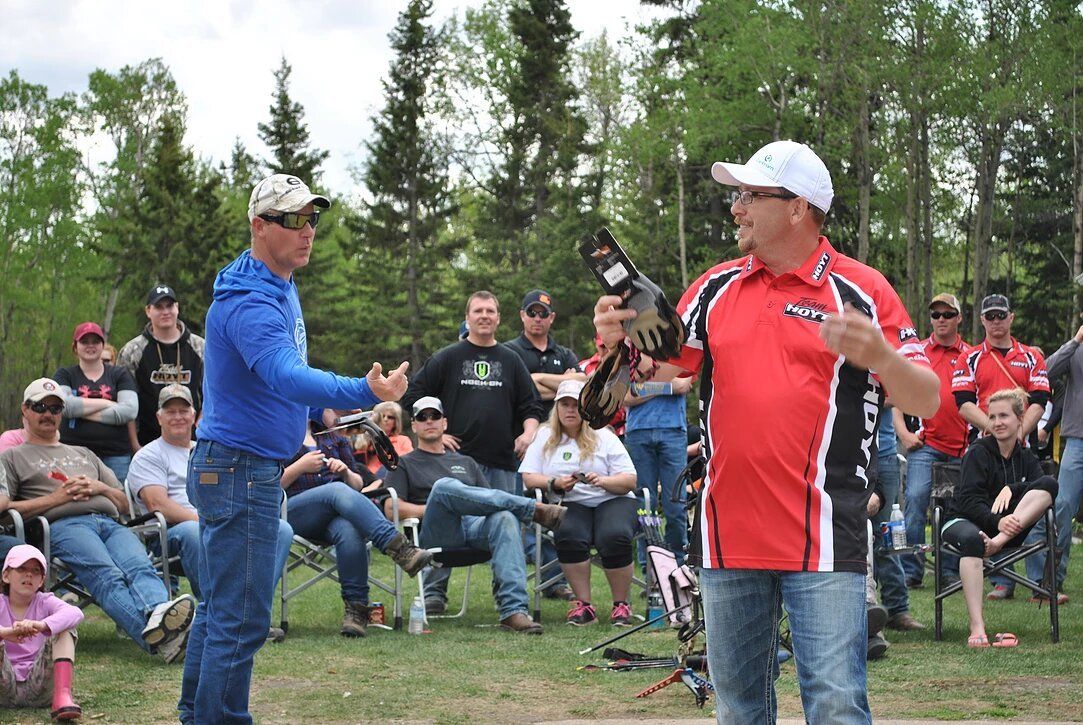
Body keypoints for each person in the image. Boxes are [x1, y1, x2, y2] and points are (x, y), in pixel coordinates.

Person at [592, 140, 939, 723]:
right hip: (728, 536)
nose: (737, 208)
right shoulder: (714, 287)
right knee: (739, 708)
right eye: (738, 195)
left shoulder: (861, 290)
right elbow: (644, 379)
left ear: (798, 207)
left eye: (751, 195)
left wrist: (883, 354)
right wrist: (615, 342)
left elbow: (926, 400)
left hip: (824, 536)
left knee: (835, 706)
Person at [181, 173, 412, 724]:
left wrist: (337, 406)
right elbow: (286, 375)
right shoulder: (252, 303)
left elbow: (278, 381)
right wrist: (364, 391)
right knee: (241, 620)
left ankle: (198, 718)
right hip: (240, 471)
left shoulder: (276, 280)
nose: (307, 231)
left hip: (237, 467)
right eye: (293, 220)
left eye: (312, 218)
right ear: (259, 227)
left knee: (220, 613)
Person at [0, 378, 195, 663]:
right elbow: (8, 513)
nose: (48, 413)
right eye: (40, 406)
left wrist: (98, 487)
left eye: (55, 408)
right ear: (25, 411)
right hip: (63, 526)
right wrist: (58, 498)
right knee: (108, 577)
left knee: (141, 567)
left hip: (109, 522)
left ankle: (163, 620)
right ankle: (159, 638)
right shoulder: (13, 457)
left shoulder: (83, 453)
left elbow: (124, 502)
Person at [383, 396, 565, 634]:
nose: (429, 421)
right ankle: (532, 509)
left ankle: (513, 611)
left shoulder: (466, 462)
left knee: (504, 517)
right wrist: (441, 505)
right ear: (414, 426)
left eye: (435, 416)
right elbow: (391, 509)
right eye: (422, 417)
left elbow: (490, 501)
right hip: (434, 530)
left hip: (474, 528)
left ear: (444, 423)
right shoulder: (403, 463)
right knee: (444, 487)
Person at [126, 385, 294, 620]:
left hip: (220, 520)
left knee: (281, 529)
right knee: (196, 530)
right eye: (170, 411)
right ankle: (216, 614)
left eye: (183, 411)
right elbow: (158, 505)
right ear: (158, 418)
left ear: (194, 416)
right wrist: (207, 520)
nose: (177, 417)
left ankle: (251, 611)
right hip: (172, 533)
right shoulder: (149, 455)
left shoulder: (208, 451)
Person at [281, 419, 431, 638]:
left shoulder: (332, 437)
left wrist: (345, 473)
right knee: (335, 491)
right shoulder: (278, 435)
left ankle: (357, 611)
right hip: (293, 512)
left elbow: (357, 485)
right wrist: (300, 467)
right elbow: (271, 485)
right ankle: (399, 548)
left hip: (334, 516)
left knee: (348, 529)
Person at [940, 389, 1058, 647]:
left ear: (1020, 419)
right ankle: (977, 627)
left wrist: (1011, 489)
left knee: (1049, 484)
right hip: (963, 520)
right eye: (992, 417)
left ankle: (998, 543)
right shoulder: (978, 451)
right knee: (973, 540)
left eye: (1003, 415)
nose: (997, 422)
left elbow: (1043, 485)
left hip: (1005, 530)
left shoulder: (1025, 457)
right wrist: (997, 522)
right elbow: (968, 502)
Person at [952, 293, 1050, 600]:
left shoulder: (1032, 356)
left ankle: (1041, 583)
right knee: (990, 505)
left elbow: (1040, 399)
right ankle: (1002, 581)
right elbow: (963, 402)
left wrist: (1018, 431)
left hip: (1022, 444)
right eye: (989, 316)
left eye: (1000, 315)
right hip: (983, 445)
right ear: (982, 320)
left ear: (1011, 317)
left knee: (1034, 501)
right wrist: (994, 427)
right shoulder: (969, 357)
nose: (995, 322)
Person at [521, 380, 638, 626]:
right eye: (565, 404)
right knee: (570, 533)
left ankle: (621, 605)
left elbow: (629, 480)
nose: (570, 410)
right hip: (569, 500)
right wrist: (555, 483)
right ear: (556, 408)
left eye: (576, 405)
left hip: (611, 498)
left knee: (614, 535)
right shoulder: (544, 436)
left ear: (586, 408)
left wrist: (604, 481)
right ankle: (584, 605)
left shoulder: (603, 435)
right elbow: (529, 477)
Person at [402, 291, 543, 495]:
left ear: (498, 318)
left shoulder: (512, 360)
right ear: (468, 319)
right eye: (478, 311)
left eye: (490, 311)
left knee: (504, 522)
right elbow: (412, 395)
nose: (484, 315)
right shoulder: (448, 357)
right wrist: (437, 434)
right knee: (465, 524)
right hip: (456, 460)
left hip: (502, 462)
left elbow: (532, 405)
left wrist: (528, 434)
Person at [893, 293, 969, 589]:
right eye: (935, 315)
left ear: (959, 318)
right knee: (914, 500)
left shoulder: (970, 354)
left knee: (953, 508)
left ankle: (949, 568)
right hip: (926, 445)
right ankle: (912, 570)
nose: (941, 320)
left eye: (947, 314)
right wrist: (903, 433)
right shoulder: (918, 351)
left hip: (962, 447)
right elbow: (897, 392)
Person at [1023, 320, 1083, 603]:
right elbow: (1044, 372)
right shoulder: (1075, 350)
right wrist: (1075, 340)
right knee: (1061, 507)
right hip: (1077, 441)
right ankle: (1050, 583)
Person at [0, 544, 83, 721]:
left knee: (65, 627)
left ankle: (62, 697)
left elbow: (75, 613)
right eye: (21, 568)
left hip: (40, 687)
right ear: (6, 575)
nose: (29, 574)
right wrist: (5, 633)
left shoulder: (45, 601)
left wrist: (42, 625)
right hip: (3, 686)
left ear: (41, 581)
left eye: (36, 571)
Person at [623, 355, 692, 566]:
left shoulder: (682, 350)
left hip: (673, 431)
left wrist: (643, 386)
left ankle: (678, 566)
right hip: (638, 432)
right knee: (645, 504)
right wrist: (667, 385)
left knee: (676, 504)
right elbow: (626, 396)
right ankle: (650, 570)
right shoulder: (630, 352)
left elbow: (683, 385)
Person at [118, 284, 205, 450]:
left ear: (177, 308)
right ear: (148, 311)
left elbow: (213, 392)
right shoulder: (131, 351)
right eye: (159, 307)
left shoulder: (200, 347)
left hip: (192, 442)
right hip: (147, 441)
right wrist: (135, 445)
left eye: (169, 306)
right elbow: (125, 401)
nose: (165, 312)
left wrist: (201, 428)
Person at [53, 322, 138, 482]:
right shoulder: (64, 374)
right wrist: (107, 403)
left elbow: (130, 411)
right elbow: (64, 406)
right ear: (75, 347)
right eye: (85, 342)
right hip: (73, 451)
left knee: (117, 502)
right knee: (77, 500)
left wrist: (79, 412)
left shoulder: (120, 374)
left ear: (102, 345)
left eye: (95, 341)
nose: (90, 346)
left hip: (115, 454)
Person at [504, 289, 584, 419]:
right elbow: (514, 390)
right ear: (522, 315)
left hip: (558, 433)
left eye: (543, 314)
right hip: (522, 431)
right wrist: (564, 387)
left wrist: (537, 378)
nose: (537, 319)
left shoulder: (564, 354)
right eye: (532, 313)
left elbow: (582, 383)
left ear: (551, 317)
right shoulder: (509, 351)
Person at [362, 401, 413, 475]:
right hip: (367, 476)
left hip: (390, 475)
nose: (385, 419)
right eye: (382, 416)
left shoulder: (403, 440)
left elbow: (405, 462)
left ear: (396, 421)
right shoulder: (365, 438)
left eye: (390, 417)